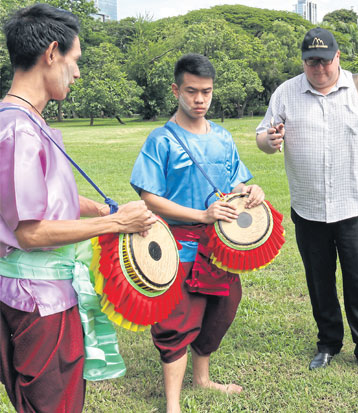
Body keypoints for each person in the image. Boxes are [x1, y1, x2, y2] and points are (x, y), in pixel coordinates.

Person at [0, 4, 156, 412]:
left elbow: (51, 199)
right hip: (38, 299)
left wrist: (102, 210)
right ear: (52, 53)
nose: (79, 72)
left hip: (44, 294)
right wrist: (116, 222)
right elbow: (30, 232)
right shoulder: (17, 128)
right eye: (76, 60)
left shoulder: (26, 121)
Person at [256, 27, 358, 381]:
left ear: (338, 57)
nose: (318, 67)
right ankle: (328, 343)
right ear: (303, 62)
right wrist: (269, 141)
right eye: (310, 61)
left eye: (324, 60)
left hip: (355, 204)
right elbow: (262, 135)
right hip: (309, 207)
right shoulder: (286, 92)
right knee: (319, 281)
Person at [130, 53, 264, 412]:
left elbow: (235, 182)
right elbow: (149, 197)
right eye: (191, 91)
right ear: (176, 90)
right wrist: (201, 215)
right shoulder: (162, 140)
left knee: (221, 309)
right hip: (178, 248)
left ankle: (202, 378)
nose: (199, 100)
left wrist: (252, 192)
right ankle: (172, 405)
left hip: (220, 247)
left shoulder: (222, 137)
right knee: (176, 322)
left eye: (206, 91)